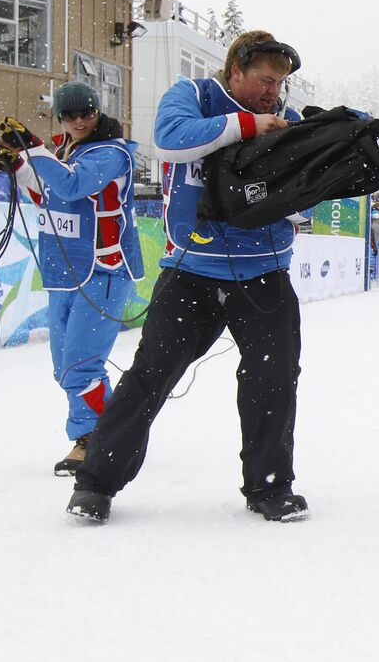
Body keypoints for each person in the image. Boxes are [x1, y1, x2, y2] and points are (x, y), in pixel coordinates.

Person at [66, 30, 309, 524]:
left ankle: (269, 488)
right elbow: (169, 141)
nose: (273, 93)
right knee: (147, 378)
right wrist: (248, 125)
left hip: (264, 274)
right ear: (234, 71)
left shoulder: (290, 119)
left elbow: (307, 192)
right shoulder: (192, 97)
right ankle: (96, 484)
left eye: (279, 83)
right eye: (264, 80)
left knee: (273, 379)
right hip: (189, 273)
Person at [0, 83, 144, 476]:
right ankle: (113, 427)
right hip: (65, 272)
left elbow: (73, 184)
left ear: (98, 112)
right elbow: (48, 192)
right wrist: (19, 165)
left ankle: (94, 438)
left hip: (103, 271)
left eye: (87, 113)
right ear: (59, 116)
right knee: (64, 367)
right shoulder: (65, 150)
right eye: (70, 115)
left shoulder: (109, 152)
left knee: (80, 366)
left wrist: (32, 147)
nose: (80, 121)